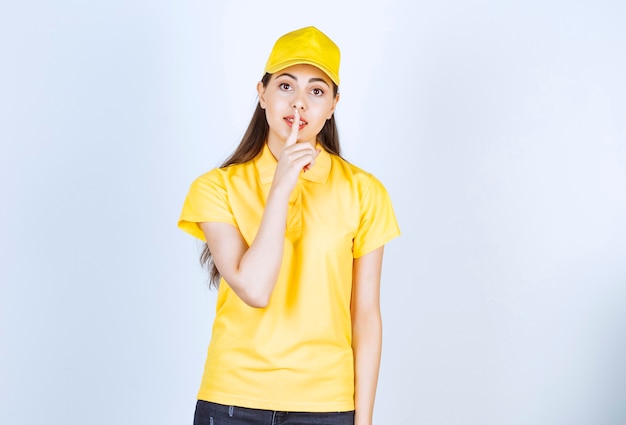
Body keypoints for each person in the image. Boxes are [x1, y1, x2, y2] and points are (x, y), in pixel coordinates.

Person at [178, 26, 400, 425]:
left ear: (332, 105)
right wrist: (281, 186)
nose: (299, 103)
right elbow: (255, 289)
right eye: (285, 86)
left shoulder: (365, 192)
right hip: (232, 399)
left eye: (316, 91)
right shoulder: (216, 188)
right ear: (261, 93)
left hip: (326, 405)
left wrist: (363, 421)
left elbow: (365, 317)